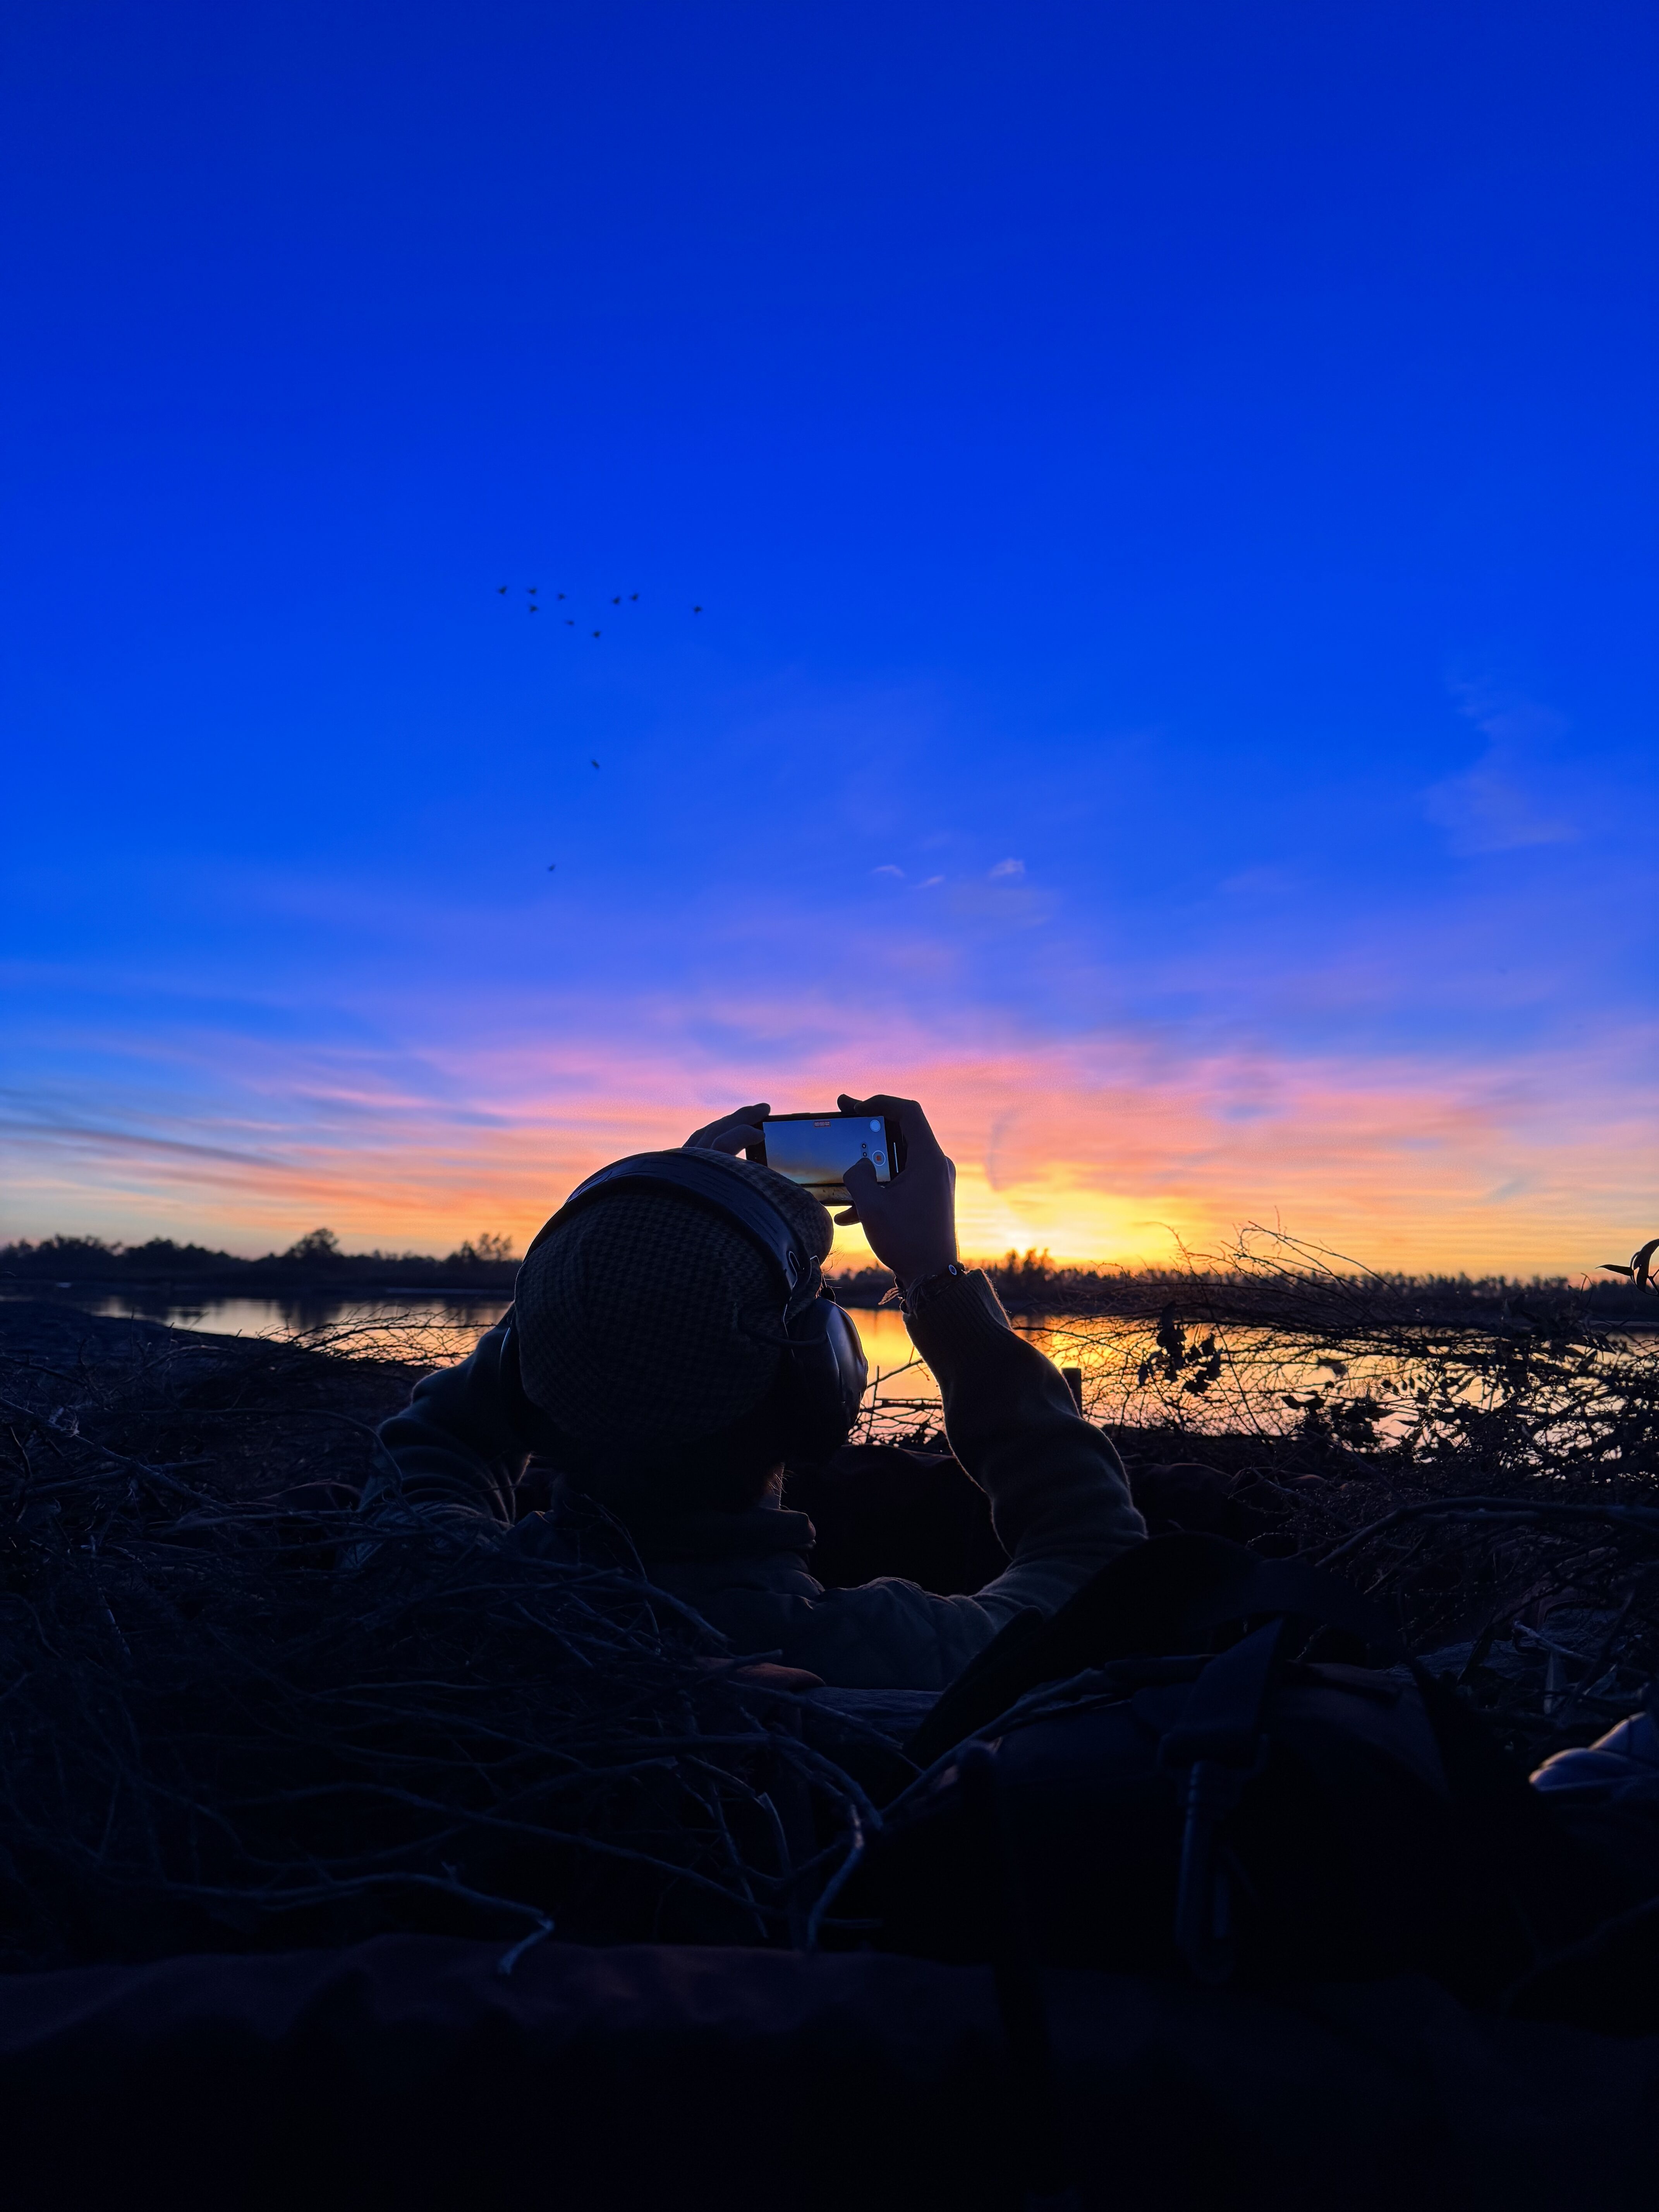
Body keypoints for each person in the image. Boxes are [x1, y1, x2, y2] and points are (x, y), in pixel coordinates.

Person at [362, 1093, 1145, 1688]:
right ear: (821, 1382)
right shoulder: (877, 1648)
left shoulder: (446, 1583)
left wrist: (636, 1238)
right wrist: (936, 1281)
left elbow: (440, 1440)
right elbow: (1096, 1566)